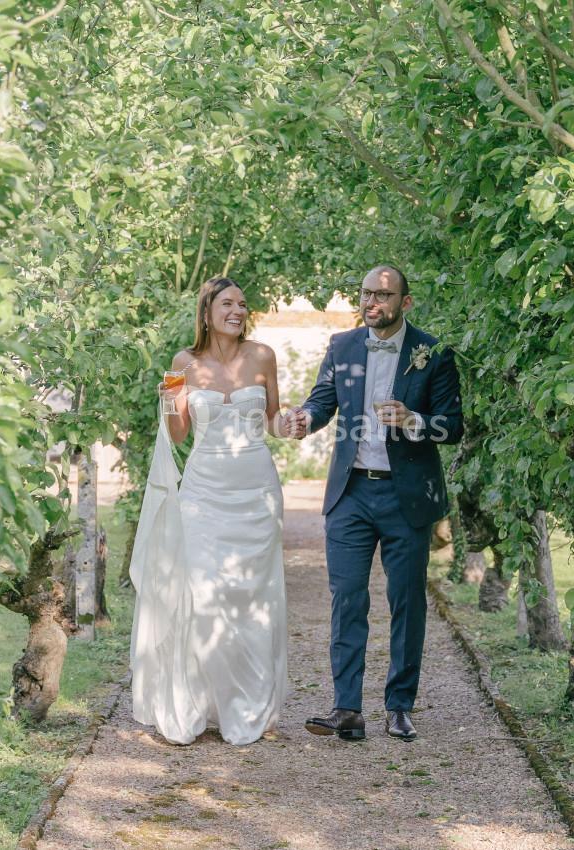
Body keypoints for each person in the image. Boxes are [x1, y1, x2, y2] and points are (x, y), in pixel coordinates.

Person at [289, 265, 463, 741]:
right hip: (350, 494)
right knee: (347, 598)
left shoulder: (433, 353)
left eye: (383, 295)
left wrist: (413, 420)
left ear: (405, 302)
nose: (372, 303)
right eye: (367, 294)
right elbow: (323, 400)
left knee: (406, 601)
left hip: (406, 495)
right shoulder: (342, 347)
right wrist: (306, 417)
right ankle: (347, 708)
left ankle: (400, 705)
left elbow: (454, 424)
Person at [129, 277, 299, 746]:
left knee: (253, 599)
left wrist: (294, 423)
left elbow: (272, 420)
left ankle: (247, 706)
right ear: (207, 312)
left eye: (243, 304)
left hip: (256, 490)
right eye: (228, 303)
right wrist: (168, 401)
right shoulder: (185, 362)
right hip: (204, 492)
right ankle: (196, 704)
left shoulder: (262, 356)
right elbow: (179, 434)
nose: (238, 310)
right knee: (203, 596)